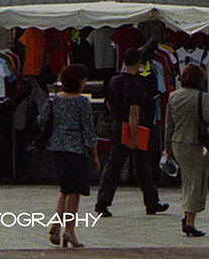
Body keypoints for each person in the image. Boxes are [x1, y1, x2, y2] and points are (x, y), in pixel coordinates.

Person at [94, 50, 165, 218]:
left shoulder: (114, 80)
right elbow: (134, 112)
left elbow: (110, 104)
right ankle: (151, 202)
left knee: (114, 164)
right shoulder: (136, 85)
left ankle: (102, 201)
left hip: (117, 125)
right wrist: (133, 136)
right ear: (138, 63)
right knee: (142, 165)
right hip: (133, 127)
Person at [37, 63, 98, 248]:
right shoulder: (82, 102)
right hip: (75, 149)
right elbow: (89, 130)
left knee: (64, 188)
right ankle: (69, 231)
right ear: (79, 81)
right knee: (74, 192)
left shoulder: (54, 99)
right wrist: (94, 156)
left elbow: (41, 119)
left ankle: (56, 223)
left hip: (57, 147)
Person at [164, 62, 209, 239]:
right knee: (195, 182)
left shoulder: (173, 96)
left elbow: (168, 125)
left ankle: (187, 216)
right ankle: (190, 222)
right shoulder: (202, 97)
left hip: (177, 142)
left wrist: (167, 148)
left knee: (187, 180)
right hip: (195, 143)